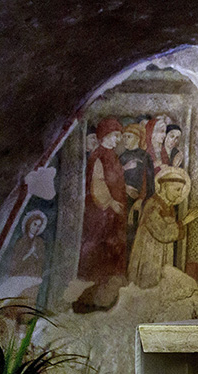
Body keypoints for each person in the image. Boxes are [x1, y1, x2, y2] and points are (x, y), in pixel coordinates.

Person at [76, 118, 128, 311]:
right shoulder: (99, 155)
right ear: (105, 135)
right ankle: (95, 297)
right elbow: (97, 182)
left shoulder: (112, 155)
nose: (117, 140)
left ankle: (107, 296)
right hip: (102, 214)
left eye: (119, 136)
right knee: (102, 250)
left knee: (112, 251)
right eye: (115, 136)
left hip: (113, 213)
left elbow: (114, 180)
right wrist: (110, 203)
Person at [128, 166, 190, 288]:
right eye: (177, 190)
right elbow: (163, 233)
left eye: (181, 191)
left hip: (163, 255)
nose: (179, 195)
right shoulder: (153, 205)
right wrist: (184, 222)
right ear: (165, 187)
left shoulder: (168, 206)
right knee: (148, 287)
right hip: (149, 255)